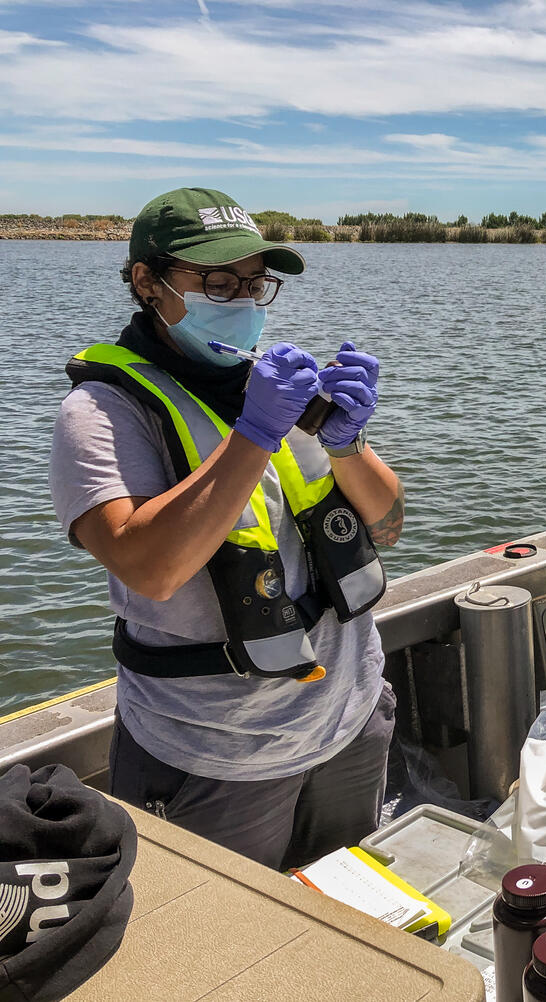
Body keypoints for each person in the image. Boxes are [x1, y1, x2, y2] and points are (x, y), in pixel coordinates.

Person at [49, 187, 406, 871]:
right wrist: (255, 433)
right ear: (146, 281)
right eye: (216, 280)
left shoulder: (277, 383)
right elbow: (149, 567)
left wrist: (349, 444)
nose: (240, 299)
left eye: (253, 283)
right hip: (214, 755)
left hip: (351, 718)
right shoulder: (100, 413)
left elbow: (386, 525)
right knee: (222, 953)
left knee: (346, 922)